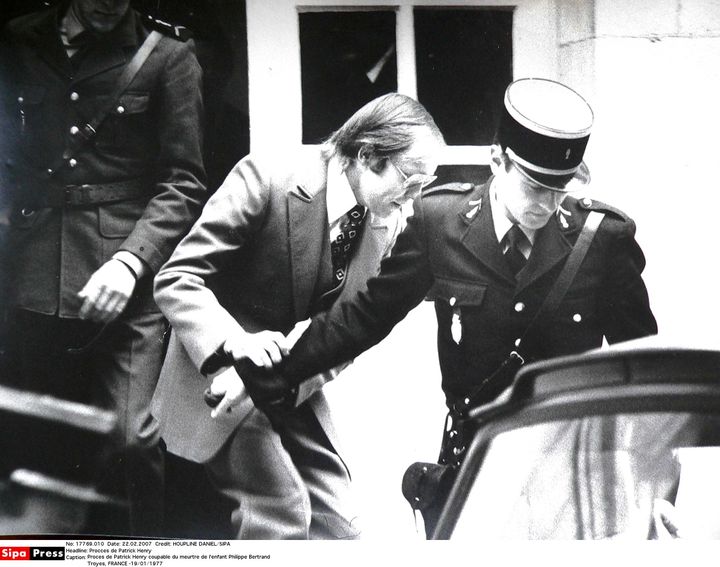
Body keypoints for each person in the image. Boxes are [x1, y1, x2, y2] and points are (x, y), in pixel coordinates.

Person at [237, 78, 659, 533]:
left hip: (570, 468)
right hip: (477, 465)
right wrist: (264, 379)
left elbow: (643, 372)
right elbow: (364, 317)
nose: (548, 203)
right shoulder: (440, 222)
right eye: (535, 186)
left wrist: (648, 489)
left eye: (559, 188)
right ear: (497, 161)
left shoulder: (604, 241)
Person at [151, 93, 444, 539]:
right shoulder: (267, 177)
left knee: (341, 527)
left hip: (289, 385)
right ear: (367, 155)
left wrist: (286, 379)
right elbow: (176, 278)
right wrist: (235, 343)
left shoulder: (385, 225)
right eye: (410, 178)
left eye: (426, 183)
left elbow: (347, 337)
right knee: (283, 511)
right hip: (213, 376)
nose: (415, 197)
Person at [0, 0, 206, 536]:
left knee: (131, 441)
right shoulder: (18, 41)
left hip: (125, 277)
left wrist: (131, 261)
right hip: (27, 268)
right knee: (30, 437)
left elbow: (183, 181)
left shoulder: (167, 55)